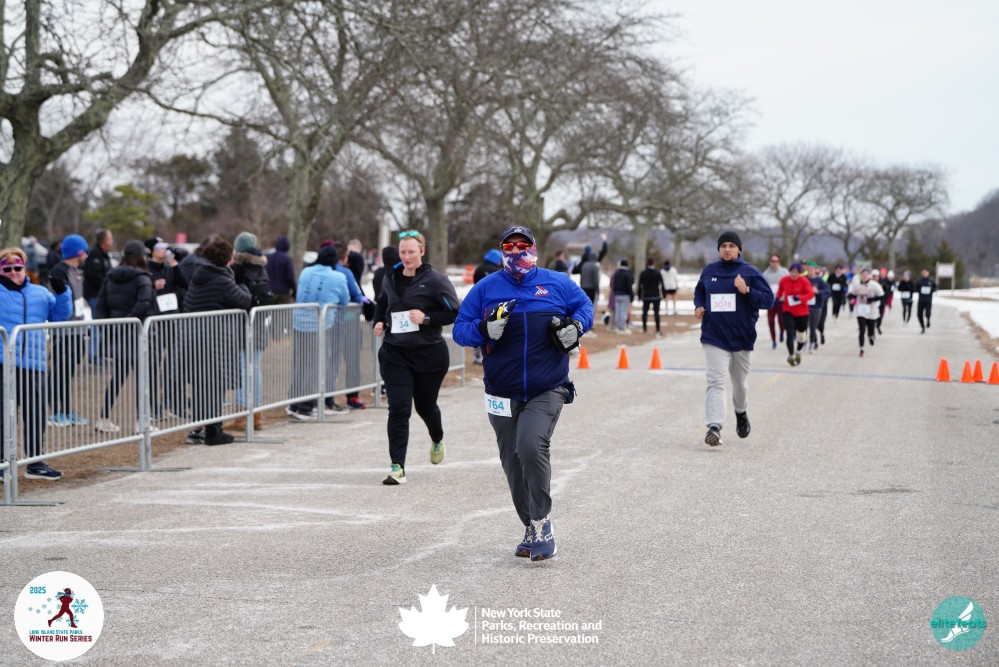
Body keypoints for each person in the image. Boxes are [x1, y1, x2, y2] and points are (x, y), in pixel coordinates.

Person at [453, 225, 593, 561]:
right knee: (512, 462)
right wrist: (483, 329)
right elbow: (460, 329)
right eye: (509, 246)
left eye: (522, 245)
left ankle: (543, 524)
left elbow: (584, 307)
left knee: (530, 446)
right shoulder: (486, 288)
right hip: (501, 391)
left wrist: (576, 327)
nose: (516, 251)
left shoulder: (556, 282)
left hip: (548, 386)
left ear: (534, 248)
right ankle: (529, 525)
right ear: (502, 251)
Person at [372, 230, 460, 485]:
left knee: (425, 406)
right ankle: (397, 467)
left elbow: (454, 312)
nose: (406, 257)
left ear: (422, 251)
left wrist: (427, 318)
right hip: (395, 353)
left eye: (411, 252)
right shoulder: (390, 277)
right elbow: (382, 303)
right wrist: (379, 321)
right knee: (399, 408)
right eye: (403, 252)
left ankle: (437, 437)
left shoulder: (435, 280)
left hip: (429, 354)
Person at [693, 231, 774, 448]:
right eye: (723, 246)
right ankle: (714, 426)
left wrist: (746, 290)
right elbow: (700, 292)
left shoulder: (750, 272)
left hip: (741, 337)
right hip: (714, 335)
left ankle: (741, 412)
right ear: (719, 249)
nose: (727, 249)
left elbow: (768, 300)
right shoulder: (710, 271)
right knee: (715, 381)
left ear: (739, 249)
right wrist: (699, 306)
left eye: (731, 246)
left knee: (739, 383)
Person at [0, 247, 73, 480]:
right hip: (3, 363)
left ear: (25, 268)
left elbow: (60, 317)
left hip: (33, 365)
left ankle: (35, 463)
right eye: (7, 269)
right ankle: (2, 463)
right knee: (3, 415)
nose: (13, 272)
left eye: (17, 267)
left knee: (36, 414)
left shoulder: (40, 293)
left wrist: (62, 293)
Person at [183, 236, 252, 445]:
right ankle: (214, 432)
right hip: (212, 339)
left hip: (194, 336)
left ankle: (198, 429)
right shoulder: (221, 279)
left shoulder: (199, 274)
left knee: (200, 384)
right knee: (214, 384)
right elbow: (243, 300)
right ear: (225, 258)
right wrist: (244, 285)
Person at [92, 240, 156, 434]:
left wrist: (110, 327)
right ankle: (141, 421)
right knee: (143, 378)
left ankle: (103, 417)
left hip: (118, 334)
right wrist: (128, 322)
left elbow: (100, 305)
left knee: (118, 377)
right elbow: (144, 304)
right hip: (136, 333)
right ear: (141, 256)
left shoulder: (111, 277)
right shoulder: (143, 278)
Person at [286, 244, 350, 420]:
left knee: (299, 363)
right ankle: (305, 406)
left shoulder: (306, 272)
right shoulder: (338, 277)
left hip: (299, 322)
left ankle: (294, 402)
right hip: (319, 325)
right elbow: (344, 299)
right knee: (314, 366)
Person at [47, 234, 90, 427]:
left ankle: (67, 410)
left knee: (69, 373)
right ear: (79, 252)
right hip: (64, 332)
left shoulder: (76, 271)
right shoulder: (59, 271)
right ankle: (55, 412)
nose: (87, 255)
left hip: (77, 330)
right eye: (85, 251)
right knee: (59, 372)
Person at [232, 232, 274, 429]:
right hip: (259, 324)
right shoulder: (262, 269)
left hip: (242, 324)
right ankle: (256, 413)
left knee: (242, 368)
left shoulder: (239, 269)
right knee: (255, 367)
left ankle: (242, 414)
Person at [145, 238, 188, 420]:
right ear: (152, 251)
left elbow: (185, 283)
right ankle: (154, 407)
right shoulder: (147, 268)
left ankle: (173, 403)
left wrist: (175, 265)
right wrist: (153, 286)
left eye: (165, 247)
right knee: (153, 365)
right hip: (155, 321)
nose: (164, 250)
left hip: (172, 318)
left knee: (174, 364)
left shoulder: (170, 267)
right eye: (159, 247)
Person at [335, 242, 368, 410]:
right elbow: (358, 295)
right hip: (348, 320)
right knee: (352, 360)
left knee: (331, 360)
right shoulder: (346, 273)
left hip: (331, 322)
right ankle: (352, 397)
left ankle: (326, 399)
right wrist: (369, 306)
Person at [775, 262, 814, 366]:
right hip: (788, 310)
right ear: (789, 272)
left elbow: (811, 294)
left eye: (796, 272)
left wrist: (800, 298)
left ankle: (798, 351)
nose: (794, 274)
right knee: (789, 333)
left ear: (800, 273)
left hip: (802, 312)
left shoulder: (804, 281)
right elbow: (780, 291)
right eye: (792, 271)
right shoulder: (784, 280)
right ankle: (791, 355)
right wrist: (777, 298)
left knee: (801, 335)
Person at [82, 229, 113, 364]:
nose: (112, 241)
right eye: (110, 238)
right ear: (105, 241)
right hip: (95, 295)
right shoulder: (95, 254)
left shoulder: (104, 255)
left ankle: (99, 353)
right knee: (97, 325)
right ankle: (93, 355)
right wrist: (109, 284)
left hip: (102, 295)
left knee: (101, 325)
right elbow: (95, 277)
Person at [472, 249, 503, 364]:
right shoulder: (497, 271)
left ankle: (476, 356)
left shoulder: (478, 269)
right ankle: (492, 354)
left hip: (479, 303)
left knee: (479, 328)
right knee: (492, 330)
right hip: (494, 305)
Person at [847, 268, 884, 357]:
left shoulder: (874, 285)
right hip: (861, 310)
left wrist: (870, 300)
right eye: (863, 275)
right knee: (862, 329)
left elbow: (881, 296)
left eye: (866, 275)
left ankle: (871, 335)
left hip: (872, 310)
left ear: (869, 276)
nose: (864, 276)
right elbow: (853, 294)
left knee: (870, 330)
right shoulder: (857, 285)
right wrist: (850, 297)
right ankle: (862, 349)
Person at [572, 233, 607, 307]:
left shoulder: (582, 263)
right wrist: (604, 241)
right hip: (592, 288)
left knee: (584, 305)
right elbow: (603, 252)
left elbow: (574, 271)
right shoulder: (594, 262)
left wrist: (575, 264)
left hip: (583, 286)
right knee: (590, 305)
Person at [761, 254, 788, 350]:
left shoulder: (784, 272)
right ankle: (774, 341)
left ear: (779, 262)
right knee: (771, 322)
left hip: (781, 301)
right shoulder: (765, 274)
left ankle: (782, 331)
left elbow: (789, 283)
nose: (774, 263)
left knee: (781, 320)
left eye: (776, 261)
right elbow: (762, 287)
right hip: (771, 302)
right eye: (773, 261)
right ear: (770, 262)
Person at [637, 257, 665, 337]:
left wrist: (639, 295)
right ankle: (657, 329)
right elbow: (662, 284)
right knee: (656, 313)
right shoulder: (657, 273)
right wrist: (664, 294)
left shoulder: (643, 273)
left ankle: (644, 329)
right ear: (653, 263)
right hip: (656, 296)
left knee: (645, 313)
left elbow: (640, 285)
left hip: (646, 296)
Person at [806, 263, 831, 352]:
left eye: (811, 269)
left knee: (813, 327)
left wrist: (818, 292)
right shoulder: (804, 279)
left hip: (817, 306)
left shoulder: (819, 280)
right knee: (805, 326)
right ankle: (805, 342)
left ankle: (812, 343)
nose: (810, 270)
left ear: (815, 270)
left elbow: (827, 291)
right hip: (805, 306)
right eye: (808, 269)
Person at [265, 235, 297, 305]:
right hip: (283, 293)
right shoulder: (287, 259)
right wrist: (294, 289)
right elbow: (290, 277)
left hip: (269, 291)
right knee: (282, 311)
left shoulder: (268, 257)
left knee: (269, 311)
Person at [612, 258, 634, 333]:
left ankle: (618, 326)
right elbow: (629, 286)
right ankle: (621, 327)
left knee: (618, 311)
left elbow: (614, 285)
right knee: (623, 311)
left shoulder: (616, 273)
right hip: (625, 295)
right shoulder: (627, 274)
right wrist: (631, 295)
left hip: (617, 294)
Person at [915, 268, 937, 333]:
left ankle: (928, 320)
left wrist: (931, 290)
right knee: (919, 315)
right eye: (923, 273)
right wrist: (920, 290)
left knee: (928, 313)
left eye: (926, 273)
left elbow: (935, 288)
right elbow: (915, 288)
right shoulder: (919, 281)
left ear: (928, 273)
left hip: (928, 300)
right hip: (921, 300)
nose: (924, 274)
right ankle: (922, 327)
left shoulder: (931, 281)